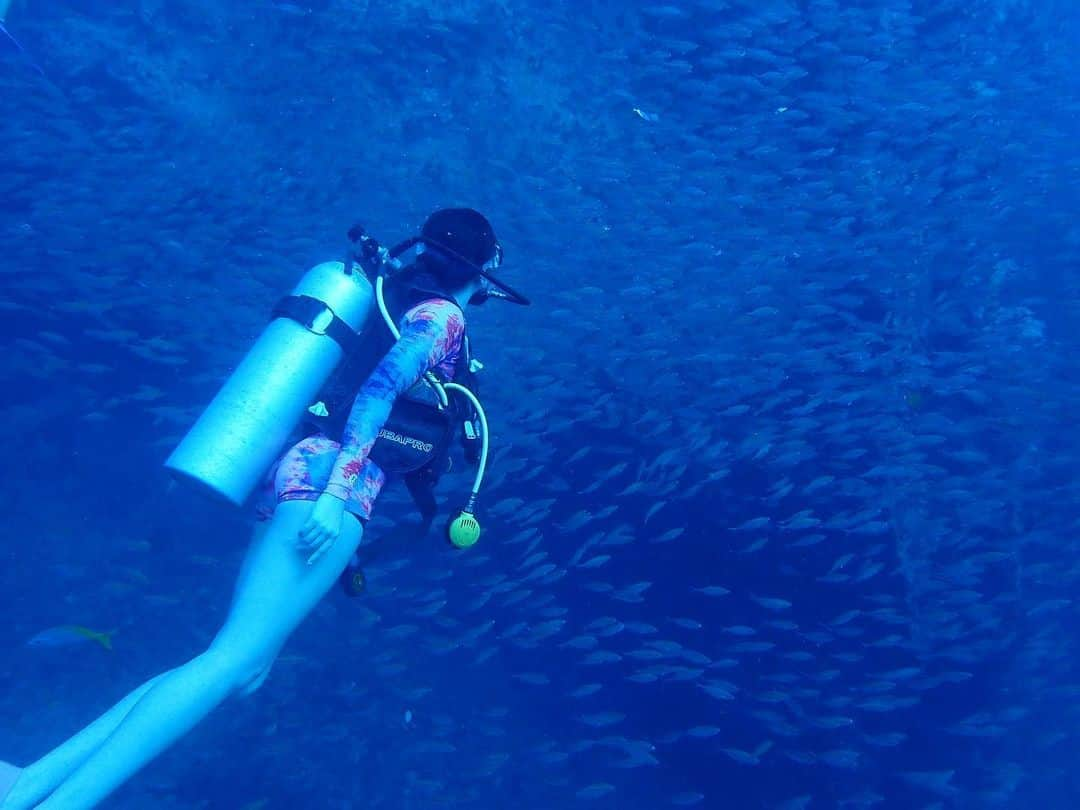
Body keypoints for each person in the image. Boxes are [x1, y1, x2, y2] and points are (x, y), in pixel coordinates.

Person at [0, 208, 527, 810]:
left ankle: (31, 783)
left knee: (237, 667)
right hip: (334, 486)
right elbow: (381, 386)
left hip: (299, 470)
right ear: (481, 269)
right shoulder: (444, 317)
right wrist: (335, 498)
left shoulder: (398, 297)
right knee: (228, 661)